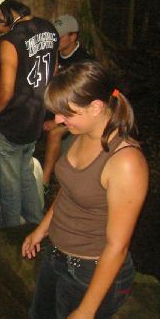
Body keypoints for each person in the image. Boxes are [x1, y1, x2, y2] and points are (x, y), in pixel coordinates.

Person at [22, 61, 148, 319]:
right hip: (56, 258)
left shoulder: (125, 162)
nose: (57, 120)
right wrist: (43, 228)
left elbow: (117, 246)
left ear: (95, 107)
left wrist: (87, 310)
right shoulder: (84, 133)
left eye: (66, 113)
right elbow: (69, 188)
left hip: (90, 272)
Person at [0, 0, 59, 227]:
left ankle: (11, 238)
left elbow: (6, 91)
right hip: (34, 117)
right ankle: (35, 226)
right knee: (25, 174)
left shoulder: (10, 41)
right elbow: (53, 74)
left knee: (8, 186)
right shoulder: (49, 28)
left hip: (11, 122)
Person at [42, 14, 95, 191]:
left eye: (60, 36)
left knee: (55, 133)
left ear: (73, 37)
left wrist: (57, 119)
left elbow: (83, 101)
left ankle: (44, 181)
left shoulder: (84, 62)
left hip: (76, 115)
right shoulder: (50, 56)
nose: (55, 40)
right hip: (54, 110)